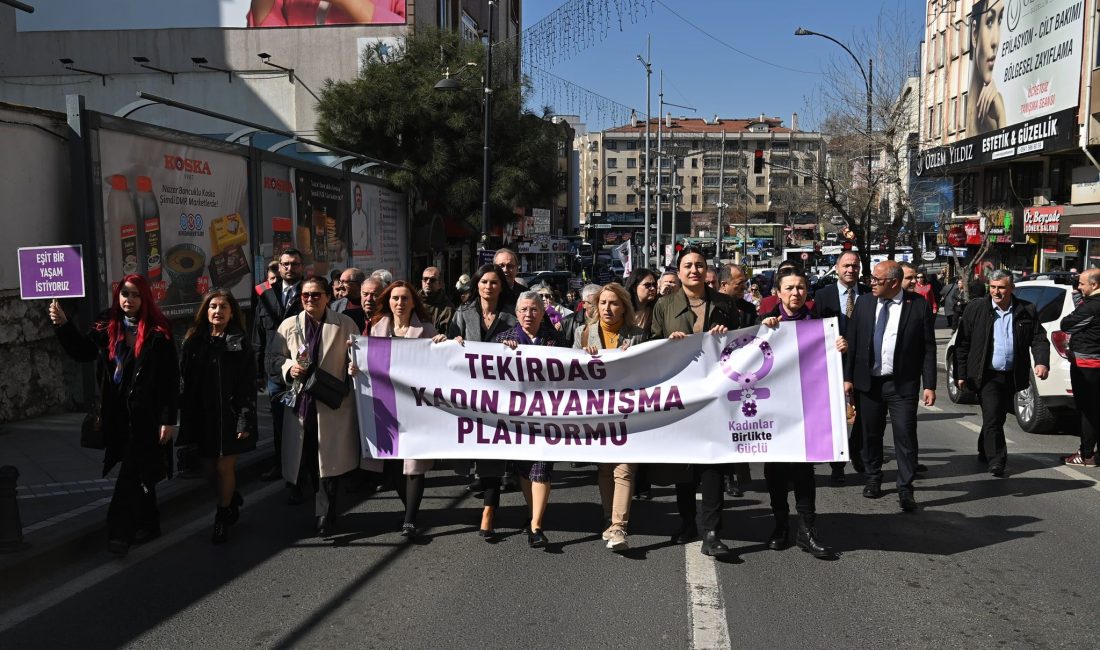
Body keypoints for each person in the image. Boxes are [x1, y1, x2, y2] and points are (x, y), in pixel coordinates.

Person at [49, 275, 179, 556]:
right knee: (140, 469)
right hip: (116, 414)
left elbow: (170, 379)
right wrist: (62, 324)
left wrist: (169, 419)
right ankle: (150, 522)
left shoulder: (159, 331)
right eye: (124, 294)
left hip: (147, 416)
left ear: (144, 299)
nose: (128, 300)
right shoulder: (107, 324)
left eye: (134, 295)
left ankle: (119, 534)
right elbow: (83, 352)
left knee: (130, 473)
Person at [651, 246, 737, 556]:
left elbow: (742, 346)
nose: (694, 271)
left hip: (715, 397)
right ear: (679, 269)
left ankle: (712, 531)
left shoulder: (725, 304)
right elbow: (651, 347)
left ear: (707, 270)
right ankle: (688, 522)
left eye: (699, 265)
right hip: (681, 397)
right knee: (684, 466)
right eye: (688, 265)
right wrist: (667, 344)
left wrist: (726, 335)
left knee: (713, 464)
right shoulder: (664, 305)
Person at [758, 267, 843, 559]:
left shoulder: (819, 325)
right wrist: (762, 329)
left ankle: (807, 530)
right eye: (790, 288)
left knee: (804, 471)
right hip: (772, 410)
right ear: (778, 293)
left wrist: (838, 347)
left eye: (801, 288)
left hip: (806, 410)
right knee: (776, 472)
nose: (796, 293)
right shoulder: (764, 324)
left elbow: (829, 362)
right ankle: (781, 526)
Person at [844, 260, 937, 513]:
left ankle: (905, 488)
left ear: (894, 283)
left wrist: (929, 384)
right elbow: (851, 341)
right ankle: (873, 478)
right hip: (869, 383)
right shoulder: (864, 303)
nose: (871, 283)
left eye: (877, 279)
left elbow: (928, 347)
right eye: (872, 278)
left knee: (905, 436)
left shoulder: (917, 305)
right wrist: (848, 377)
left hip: (902, 384)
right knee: (870, 434)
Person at [274, 275, 364, 536]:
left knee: (330, 461)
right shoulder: (289, 325)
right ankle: (322, 504)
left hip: (333, 403)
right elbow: (276, 357)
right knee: (312, 458)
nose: (310, 299)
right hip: (302, 403)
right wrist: (289, 368)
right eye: (305, 295)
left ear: (328, 296)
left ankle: (325, 512)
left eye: (316, 294)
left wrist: (352, 367)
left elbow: (359, 357)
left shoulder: (346, 324)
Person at [441, 264, 518, 539]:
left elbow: (524, 344)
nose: (488, 287)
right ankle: (486, 498)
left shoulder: (511, 316)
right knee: (477, 448)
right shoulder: (462, 313)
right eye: (484, 282)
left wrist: (515, 345)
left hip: (501, 395)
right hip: (470, 396)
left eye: (494, 282)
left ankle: (489, 510)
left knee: (494, 453)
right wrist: (453, 340)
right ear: (477, 285)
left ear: (501, 286)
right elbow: (448, 346)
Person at [178, 289, 257, 544]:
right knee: (209, 469)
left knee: (224, 466)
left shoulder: (239, 342)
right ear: (205, 310)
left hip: (230, 415)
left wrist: (244, 418)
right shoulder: (193, 340)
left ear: (232, 311)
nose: (218, 311)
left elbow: (247, 385)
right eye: (213, 306)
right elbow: (184, 380)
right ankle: (231, 497)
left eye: (224, 306)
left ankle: (222, 515)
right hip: (202, 415)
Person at [573, 283, 647, 551]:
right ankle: (609, 518)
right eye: (603, 303)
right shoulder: (584, 334)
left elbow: (653, 370)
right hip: (597, 411)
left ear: (624, 307)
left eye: (614, 303)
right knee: (605, 467)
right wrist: (583, 358)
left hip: (629, 412)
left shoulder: (637, 336)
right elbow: (570, 372)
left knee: (625, 467)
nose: (607, 308)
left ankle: (619, 526)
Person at [954, 270, 1049, 477]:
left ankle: (984, 448)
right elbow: (962, 344)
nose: (996, 292)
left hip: (1013, 374)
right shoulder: (976, 309)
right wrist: (960, 374)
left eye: (1001, 287)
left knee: (996, 416)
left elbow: (1039, 338)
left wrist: (1041, 362)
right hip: (985, 374)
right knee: (993, 415)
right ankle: (997, 460)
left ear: (1011, 288)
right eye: (993, 287)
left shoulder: (1026, 310)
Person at [362, 281, 438, 537]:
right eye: (395, 298)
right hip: (387, 406)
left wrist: (442, 344)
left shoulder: (426, 329)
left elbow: (441, 365)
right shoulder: (376, 327)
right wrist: (356, 367)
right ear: (389, 301)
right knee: (395, 466)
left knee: (414, 464)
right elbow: (367, 362)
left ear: (413, 302)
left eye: (405, 298)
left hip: (416, 407)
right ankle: (410, 510)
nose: (400, 303)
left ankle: (410, 519)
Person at [495, 291, 568, 548]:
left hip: (547, 414)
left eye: (534, 309)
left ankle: (536, 525)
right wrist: (504, 352)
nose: (529, 314)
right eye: (524, 310)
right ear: (517, 313)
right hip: (516, 416)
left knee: (542, 467)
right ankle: (531, 512)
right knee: (524, 468)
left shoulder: (556, 340)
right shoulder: (503, 339)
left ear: (542, 312)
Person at [813, 251, 869, 483]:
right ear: (836, 268)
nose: (850, 270)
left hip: (863, 362)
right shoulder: (822, 295)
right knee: (836, 417)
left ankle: (857, 453)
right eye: (846, 265)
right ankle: (837, 466)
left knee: (864, 415)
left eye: (854, 266)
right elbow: (815, 329)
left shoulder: (867, 293)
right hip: (833, 363)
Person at [253, 248, 305, 482]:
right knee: (279, 422)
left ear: (301, 267)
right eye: (285, 264)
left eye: (294, 264)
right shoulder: (267, 295)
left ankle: (304, 469)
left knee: (303, 422)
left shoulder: (310, 293)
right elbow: (258, 336)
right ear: (279, 267)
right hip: (275, 372)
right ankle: (281, 465)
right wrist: (258, 371)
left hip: (304, 371)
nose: (289, 268)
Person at [716, 263, 757, 497]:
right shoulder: (711, 307)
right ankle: (722, 474)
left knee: (736, 426)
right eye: (739, 283)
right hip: (716, 376)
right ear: (724, 284)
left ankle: (733, 475)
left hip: (741, 376)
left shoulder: (748, 309)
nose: (744, 286)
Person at [1060, 269, 1100, 466]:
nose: (1078, 287)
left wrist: (1079, 306)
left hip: (1087, 364)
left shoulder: (1091, 307)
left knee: (1087, 410)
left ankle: (1086, 455)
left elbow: (1067, 324)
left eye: (1082, 284)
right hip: (1093, 361)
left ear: (1094, 285)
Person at [966, 0, 1005, 136]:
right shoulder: (966, 114)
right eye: (989, 22)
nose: (995, 41)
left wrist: (1001, 117)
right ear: (974, 33)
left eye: (1000, 21)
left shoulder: (996, 108)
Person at [420, 266, 455, 334]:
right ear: (422, 282)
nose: (428, 282)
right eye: (425, 279)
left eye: (432, 280)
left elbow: (447, 335)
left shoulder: (447, 308)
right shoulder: (413, 301)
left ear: (440, 284)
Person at [331, 267, 367, 331]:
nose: (340, 286)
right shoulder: (335, 306)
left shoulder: (371, 303)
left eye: (344, 282)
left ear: (358, 284)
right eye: (340, 282)